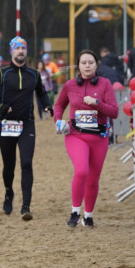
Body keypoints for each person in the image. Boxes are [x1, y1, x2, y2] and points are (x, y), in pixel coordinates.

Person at [0, 37, 52, 219]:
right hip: (6, 124)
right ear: (11, 52)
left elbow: (42, 93)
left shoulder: (34, 74)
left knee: (27, 162)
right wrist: (0, 107)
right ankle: (8, 193)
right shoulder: (1, 73)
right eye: (17, 48)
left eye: (23, 48)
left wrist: (47, 105)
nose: (21, 51)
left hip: (27, 123)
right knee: (9, 165)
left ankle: (26, 206)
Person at [53, 50, 118, 227]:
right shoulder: (70, 85)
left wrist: (97, 104)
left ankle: (88, 216)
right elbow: (59, 105)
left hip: (99, 136)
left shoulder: (105, 84)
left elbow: (114, 111)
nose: (87, 65)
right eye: (84, 62)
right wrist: (58, 121)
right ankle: (75, 212)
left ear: (96, 65)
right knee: (81, 171)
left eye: (91, 62)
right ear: (78, 66)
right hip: (76, 135)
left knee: (93, 178)